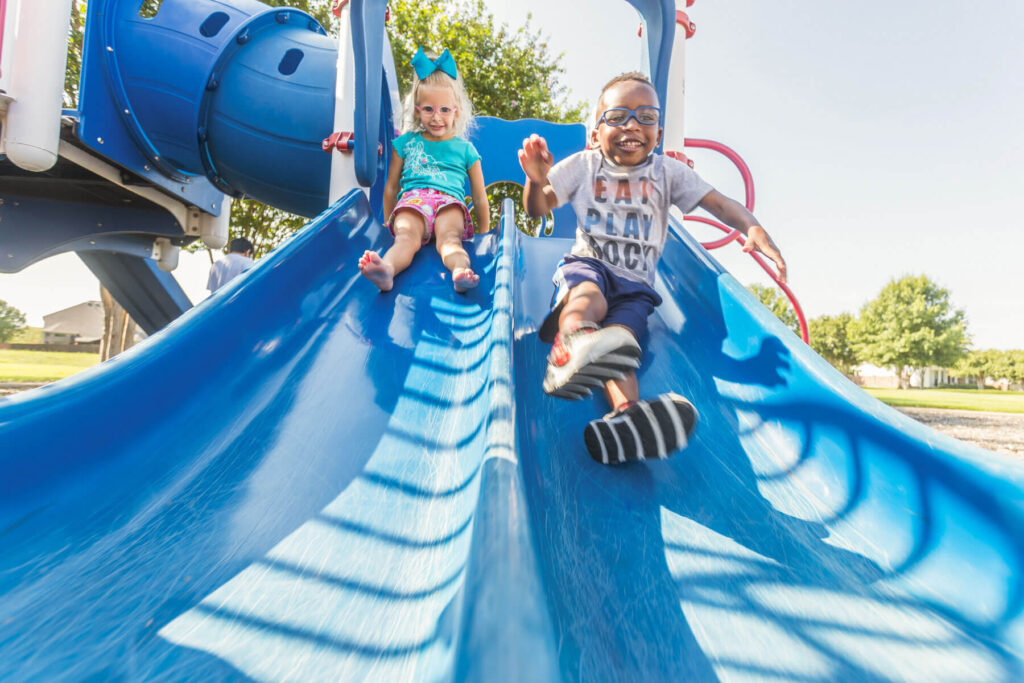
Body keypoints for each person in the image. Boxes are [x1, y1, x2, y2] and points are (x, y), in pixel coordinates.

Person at [519, 72, 787, 465]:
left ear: (658, 134)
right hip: (589, 264)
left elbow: (719, 204)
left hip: (636, 287)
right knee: (586, 299)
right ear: (595, 134)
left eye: (646, 116)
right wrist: (536, 180)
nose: (632, 125)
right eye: (618, 115)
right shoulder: (583, 165)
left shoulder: (668, 173)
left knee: (620, 347)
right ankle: (568, 350)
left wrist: (752, 225)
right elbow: (536, 208)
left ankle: (625, 417)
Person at [359, 47, 489, 293]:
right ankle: (386, 270)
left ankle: (460, 271)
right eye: (428, 109)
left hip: (449, 203)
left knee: (449, 239)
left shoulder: (465, 149)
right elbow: (391, 187)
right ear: (417, 110)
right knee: (405, 238)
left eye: (444, 110)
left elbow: (480, 197)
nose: (436, 117)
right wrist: (389, 224)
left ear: (456, 111)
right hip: (413, 202)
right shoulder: (405, 142)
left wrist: (483, 235)